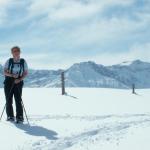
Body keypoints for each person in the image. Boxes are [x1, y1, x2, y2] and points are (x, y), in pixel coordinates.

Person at [4, 46, 28, 122]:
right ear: (12, 53)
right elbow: (4, 72)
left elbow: (25, 73)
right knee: (8, 99)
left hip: (19, 81)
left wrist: (20, 79)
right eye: (14, 51)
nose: (16, 52)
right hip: (8, 81)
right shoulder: (9, 61)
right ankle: (10, 116)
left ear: (20, 52)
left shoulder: (23, 61)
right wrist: (11, 75)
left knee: (18, 99)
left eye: (17, 51)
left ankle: (20, 117)